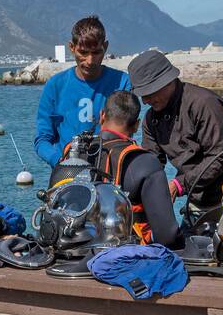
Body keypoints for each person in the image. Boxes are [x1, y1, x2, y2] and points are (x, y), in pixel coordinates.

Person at [130, 49, 223, 225]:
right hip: (193, 204)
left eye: (149, 93)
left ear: (167, 81)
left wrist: (179, 184)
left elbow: (220, 158)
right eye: (143, 95)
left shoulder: (204, 103)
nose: (146, 101)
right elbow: (150, 164)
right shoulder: (150, 120)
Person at [66, 89, 181, 249]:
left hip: (71, 247)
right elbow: (167, 235)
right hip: (121, 253)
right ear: (136, 124)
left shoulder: (73, 151)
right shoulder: (145, 162)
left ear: (102, 115)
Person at [33, 15, 131, 167]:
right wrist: (60, 162)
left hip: (110, 172)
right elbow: (42, 139)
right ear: (71, 48)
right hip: (66, 173)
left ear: (105, 47)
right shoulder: (55, 86)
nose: (90, 61)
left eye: (96, 52)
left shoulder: (123, 82)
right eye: (83, 53)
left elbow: (126, 132)